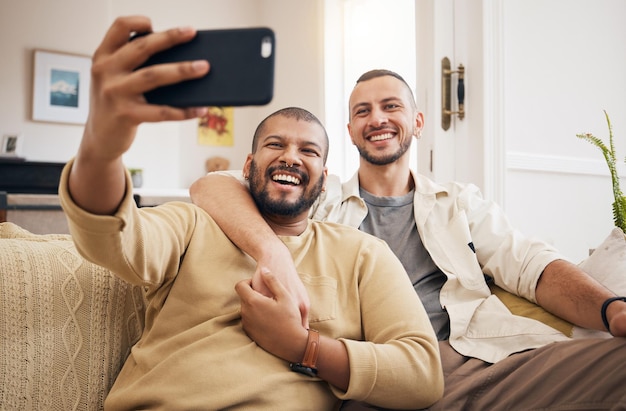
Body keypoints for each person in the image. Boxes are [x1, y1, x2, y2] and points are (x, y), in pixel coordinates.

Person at [58, 17, 444, 410]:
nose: (290, 157)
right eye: (275, 144)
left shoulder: (363, 254)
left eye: (309, 151)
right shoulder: (192, 226)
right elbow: (110, 237)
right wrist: (101, 146)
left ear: (324, 180)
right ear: (246, 166)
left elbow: (422, 375)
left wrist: (304, 347)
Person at [190, 69, 626, 409]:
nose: (376, 118)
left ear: (417, 122)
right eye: (362, 111)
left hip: (471, 358)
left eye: (390, 106)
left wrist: (612, 311)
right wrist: (270, 250)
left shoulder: (459, 203)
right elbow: (212, 185)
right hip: (359, 368)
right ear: (349, 132)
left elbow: (532, 266)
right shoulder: (316, 198)